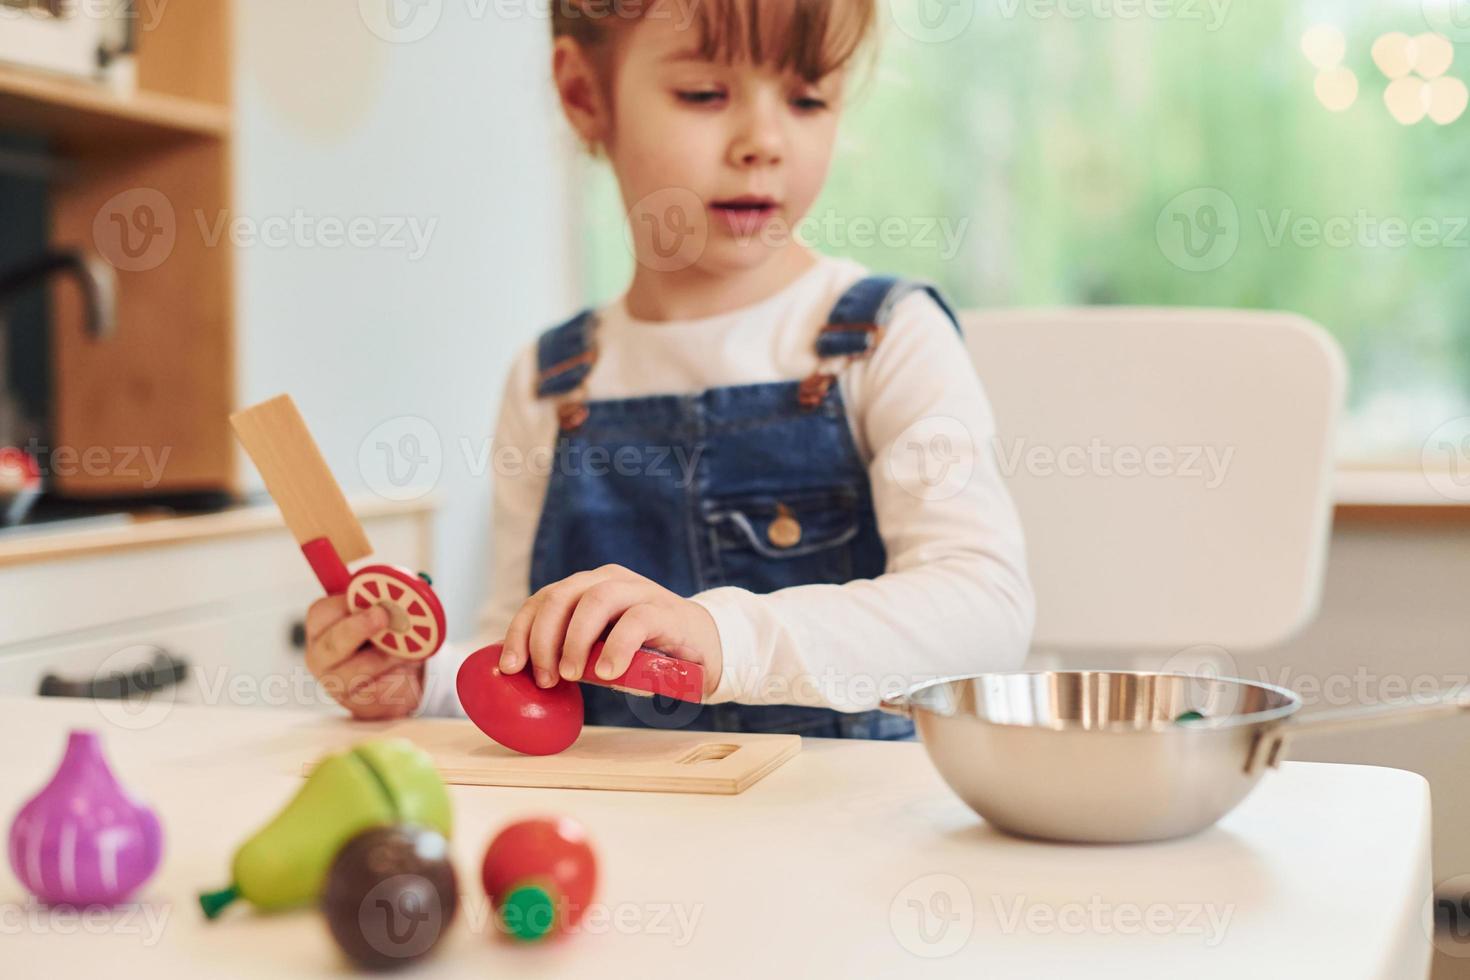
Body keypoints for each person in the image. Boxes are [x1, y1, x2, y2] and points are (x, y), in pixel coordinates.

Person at [306, 0, 1034, 739]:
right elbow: (518, 657)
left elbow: (985, 611)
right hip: (629, 835)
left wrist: (725, 638)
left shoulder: (886, 338)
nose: (764, 141)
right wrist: (418, 681)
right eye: (705, 95)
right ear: (586, 95)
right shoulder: (551, 381)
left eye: (808, 97)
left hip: (837, 834)